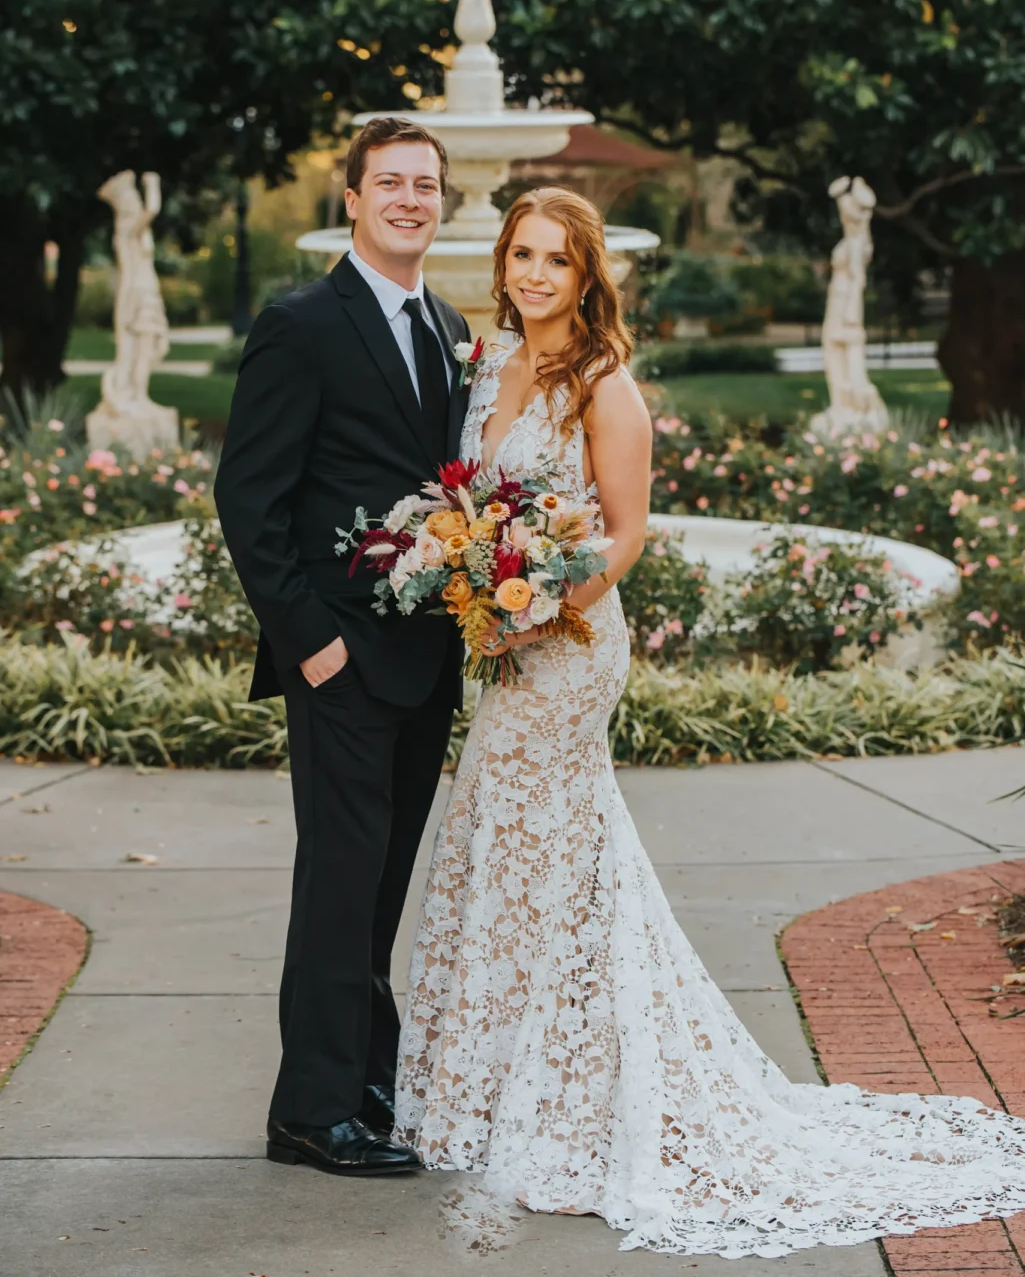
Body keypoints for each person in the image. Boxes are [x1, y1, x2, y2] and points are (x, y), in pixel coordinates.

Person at [395, 186, 1025, 1258]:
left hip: (569, 650)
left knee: (550, 856)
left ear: (589, 277)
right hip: (502, 648)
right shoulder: (488, 370)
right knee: (505, 848)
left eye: (557, 260)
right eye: (521, 256)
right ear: (500, 265)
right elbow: (472, 506)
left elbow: (625, 535)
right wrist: (468, 574)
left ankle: (578, 1103)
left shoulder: (605, 386)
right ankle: (500, 1083)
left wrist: (535, 608)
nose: (536, 275)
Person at [215, 117, 470, 1177]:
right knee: (338, 879)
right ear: (352, 198)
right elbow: (249, 496)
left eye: (426, 185)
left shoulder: (448, 324)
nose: (410, 199)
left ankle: (367, 1076)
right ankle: (309, 1114)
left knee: (380, 881)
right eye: (391, 183)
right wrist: (311, 644)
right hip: (340, 660)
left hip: (425, 658)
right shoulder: (302, 323)